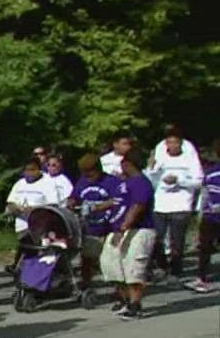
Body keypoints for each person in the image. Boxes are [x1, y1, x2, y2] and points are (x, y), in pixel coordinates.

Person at [100, 150, 156, 320]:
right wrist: (98, 207)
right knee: (111, 267)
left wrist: (123, 227)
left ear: (127, 164)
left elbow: (137, 206)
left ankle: (135, 305)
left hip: (138, 230)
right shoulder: (125, 183)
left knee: (133, 268)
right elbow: (118, 201)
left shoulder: (140, 182)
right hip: (117, 229)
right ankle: (124, 300)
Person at [146, 133, 204, 282]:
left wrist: (179, 181)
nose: (173, 146)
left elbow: (198, 181)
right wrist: (150, 167)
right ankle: (162, 266)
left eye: (176, 143)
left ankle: (176, 269)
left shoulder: (189, 158)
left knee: (177, 240)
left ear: (180, 144)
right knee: (157, 238)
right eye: (169, 143)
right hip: (160, 205)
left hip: (181, 204)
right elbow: (149, 180)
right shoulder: (160, 157)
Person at [67, 153, 122, 291]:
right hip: (90, 226)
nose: (88, 177)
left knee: (112, 260)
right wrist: (72, 202)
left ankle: (119, 288)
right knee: (87, 257)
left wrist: (99, 207)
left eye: (90, 174)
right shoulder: (82, 182)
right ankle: (86, 283)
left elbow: (119, 200)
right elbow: (74, 196)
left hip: (109, 225)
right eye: (85, 174)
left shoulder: (112, 182)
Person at [5, 157, 65, 273]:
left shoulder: (48, 183)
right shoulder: (20, 184)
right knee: (26, 252)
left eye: (32, 170)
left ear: (39, 169)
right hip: (22, 225)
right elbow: (10, 202)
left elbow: (52, 205)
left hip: (40, 226)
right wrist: (15, 208)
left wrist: (34, 209)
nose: (29, 173)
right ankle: (22, 280)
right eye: (26, 170)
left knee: (33, 254)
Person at [186, 139, 220, 293]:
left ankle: (202, 277)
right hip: (210, 216)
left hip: (210, 215)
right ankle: (201, 278)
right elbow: (205, 195)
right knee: (205, 248)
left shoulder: (210, 172)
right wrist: (201, 214)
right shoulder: (211, 172)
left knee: (205, 248)